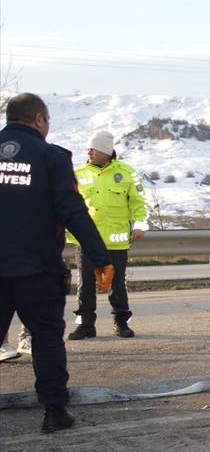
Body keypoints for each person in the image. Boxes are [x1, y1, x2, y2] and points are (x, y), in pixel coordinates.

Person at [0, 93, 113, 433]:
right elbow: (73, 211)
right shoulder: (51, 156)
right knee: (47, 338)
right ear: (39, 119)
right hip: (38, 269)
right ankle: (54, 413)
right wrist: (101, 258)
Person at [68, 131, 147, 340]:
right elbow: (68, 203)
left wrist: (140, 225)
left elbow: (139, 202)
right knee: (85, 285)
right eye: (88, 149)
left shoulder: (127, 173)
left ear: (106, 151)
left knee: (117, 285)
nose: (89, 152)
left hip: (115, 241)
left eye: (93, 148)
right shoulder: (78, 173)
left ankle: (121, 323)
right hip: (86, 240)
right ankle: (85, 325)